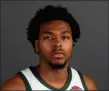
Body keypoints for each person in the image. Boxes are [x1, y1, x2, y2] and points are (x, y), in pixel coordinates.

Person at [1, 5, 97, 90]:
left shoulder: (87, 86)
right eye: (48, 37)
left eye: (65, 37)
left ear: (72, 43)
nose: (58, 43)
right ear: (36, 45)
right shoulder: (15, 87)